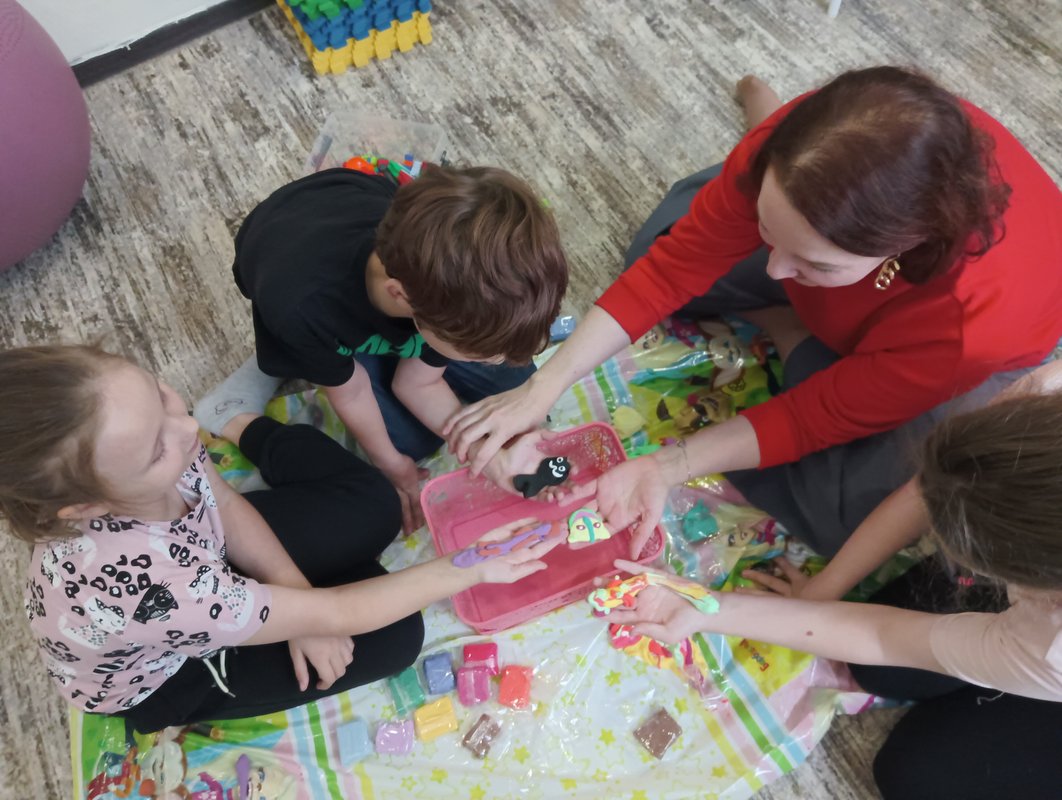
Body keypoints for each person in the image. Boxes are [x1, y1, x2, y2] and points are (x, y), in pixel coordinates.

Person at [444, 67, 1062, 558]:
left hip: (963, 344)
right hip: (844, 243)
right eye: (767, 228)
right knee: (655, 250)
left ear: (900, 249)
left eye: (814, 264)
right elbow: (672, 268)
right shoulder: (799, 140)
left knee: (842, 515)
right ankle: (794, 286)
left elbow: (815, 418)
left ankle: (796, 329)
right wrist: (544, 385)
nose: (774, 270)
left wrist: (667, 466)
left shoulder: (971, 324)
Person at [6, 345, 556, 733]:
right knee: (395, 635)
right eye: (156, 449)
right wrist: (470, 564)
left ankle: (239, 419)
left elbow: (225, 505)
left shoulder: (157, 451)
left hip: (201, 563)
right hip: (170, 668)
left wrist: (294, 595)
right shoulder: (150, 588)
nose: (189, 429)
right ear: (88, 506)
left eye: (162, 396)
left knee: (376, 505)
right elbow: (339, 613)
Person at [605, 359, 1062, 798]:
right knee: (882, 672)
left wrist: (713, 611)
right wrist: (716, 607)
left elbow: (884, 637)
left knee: (917, 776)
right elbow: (945, 484)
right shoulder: (1042, 402)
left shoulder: (1049, 649)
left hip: (1044, 651)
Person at [200, 164, 569, 533]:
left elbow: (417, 383)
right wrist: (391, 463)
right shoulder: (307, 306)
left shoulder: (443, 287)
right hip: (284, 259)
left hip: (354, 210)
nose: (492, 359)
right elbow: (353, 393)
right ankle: (290, 355)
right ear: (403, 298)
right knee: (405, 443)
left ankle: (320, 353)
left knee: (515, 381)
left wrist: (490, 455)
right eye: (477, 351)